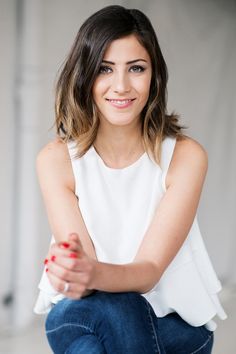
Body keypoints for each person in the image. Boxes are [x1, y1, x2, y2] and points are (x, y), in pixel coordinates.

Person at [34, 5, 227, 354]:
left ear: (154, 76)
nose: (121, 86)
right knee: (110, 312)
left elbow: (149, 271)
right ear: (85, 76)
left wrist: (89, 271)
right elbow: (86, 280)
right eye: (105, 69)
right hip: (81, 313)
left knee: (100, 336)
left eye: (136, 68)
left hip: (175, 327)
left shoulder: (186, 157)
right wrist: (78, 270)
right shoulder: (56, 159)